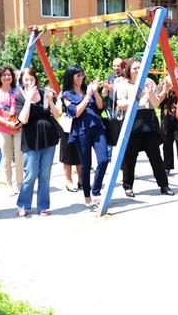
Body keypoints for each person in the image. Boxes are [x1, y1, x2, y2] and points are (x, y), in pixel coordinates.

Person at [116, 58, 174, 197]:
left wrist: (149, 93)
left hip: (148, 121)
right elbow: (121, 104)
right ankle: (128, 186)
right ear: (129, 70)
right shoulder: (123, 84)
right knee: (130, 157)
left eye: (140, 67)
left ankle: (164, 185)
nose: (138, 70)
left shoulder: (149, 82)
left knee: (155, 156)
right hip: (132, 121)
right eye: (135, 68)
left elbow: (155, 104)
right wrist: (136, 98)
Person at [15, 67, 61, 217]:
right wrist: (28, 99)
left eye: (31, 79)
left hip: (48, 138)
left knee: (45, 175)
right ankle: (23, 204)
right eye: (26, 79)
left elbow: (56, 114)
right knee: (30, 174)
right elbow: (23, 119)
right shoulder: (20, 97)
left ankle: (43, 206)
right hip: (31, 140)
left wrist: (50, 101)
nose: (29, 82)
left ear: (36, 79)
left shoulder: (44, 92)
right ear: (21, 81)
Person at [62, 64, 110, 207]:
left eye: (82, 74)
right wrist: (88, 96)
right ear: (71, 77)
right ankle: (87, 196)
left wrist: (94, 93)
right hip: (81, 131)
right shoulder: (66, 94)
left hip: (97, 127)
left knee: (104, 159)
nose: (81, 77)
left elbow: (100, 106)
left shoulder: (87, 89)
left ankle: (96, 191)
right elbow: (75, 112)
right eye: (78, 75)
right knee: (86, 165)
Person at [0, 66, 23, 194]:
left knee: (20, 156)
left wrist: (19, 123)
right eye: (4, 75)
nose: (7, 77)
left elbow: (25, 107)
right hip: (4, 128)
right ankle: (9, 184)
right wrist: (7, 123)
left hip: (19, 127)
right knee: (6, 157)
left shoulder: (18, 91)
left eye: (9, 74)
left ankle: (20, 183)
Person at [56, 90, 83, 193]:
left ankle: (81, 179)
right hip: (67, 126)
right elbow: (58, 111)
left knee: (81, 153)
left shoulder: (81, 91)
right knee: (67, 154)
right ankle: (68, 180)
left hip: (80, 125)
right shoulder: (63, 93)